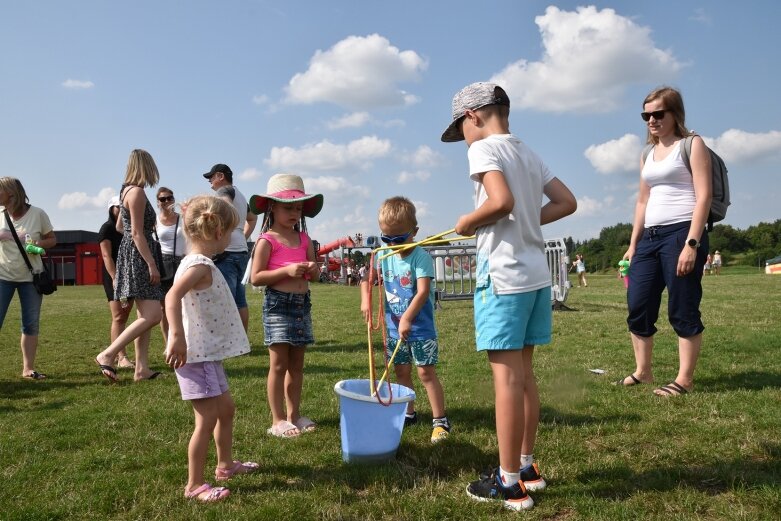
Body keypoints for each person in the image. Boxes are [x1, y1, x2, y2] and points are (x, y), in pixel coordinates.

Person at [443, 82, 576, 510]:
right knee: (524, 377)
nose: (462, 136)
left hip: (503, 278)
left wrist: (470, 220)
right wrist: (525, 221)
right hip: (537, 279)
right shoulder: (528, 152)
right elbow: (566, 202)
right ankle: (527, 467)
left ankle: (507, 482)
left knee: (506, 381)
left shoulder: (482, 148)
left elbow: (500, 201)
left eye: (460, 126)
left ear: (474, 116)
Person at [616, 86, 711, 398]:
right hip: (650, 238)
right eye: (646, 115)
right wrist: (633, 245)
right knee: (638, 303)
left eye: (658, 113)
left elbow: (704, 196)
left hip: (682, 233)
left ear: (675, 114)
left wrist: (692, 244)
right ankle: (643, 372)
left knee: (682, 306)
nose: (651, 120)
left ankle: (684, 379)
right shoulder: (647, 154)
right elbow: (642, 202)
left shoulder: (692, 145)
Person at [164, 195, 258, 502]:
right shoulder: (199, 265)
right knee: (205, 420)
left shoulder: (198, 263)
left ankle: (225, 465)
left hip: (207, 355)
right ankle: (194, 485)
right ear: (217, 232)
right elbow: (171, 296)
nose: (232, 238)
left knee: (226, 410)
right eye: (231, 232)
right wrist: (176, 335)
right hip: (195, 356)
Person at [360, 196, 451, 443]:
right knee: (401, 370)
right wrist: (366, 299)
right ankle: (409, 413)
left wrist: (407, 318)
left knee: (425, 373)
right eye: (386, 238)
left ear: (415, 232)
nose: (392, 244)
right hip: (392, 328)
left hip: (419, 328)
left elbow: (422, 292)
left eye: (398, 239)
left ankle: (440, 420)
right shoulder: (383, 254)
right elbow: (367, 279)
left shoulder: (420, 257)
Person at [249, 174, 323, 438]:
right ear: (272, 207)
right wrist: (288, 270)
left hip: (302, 305)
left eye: (298, 208)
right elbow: (256, 277)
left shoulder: (304, 239)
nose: (294, 212)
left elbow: (315, 275)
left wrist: (313, 269)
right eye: (288, 207)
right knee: (278, 364)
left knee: (297, 364)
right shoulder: (267, 240)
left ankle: (294, 414)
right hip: (278, 305)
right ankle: (277, 419)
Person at [95, 149, 165, 382]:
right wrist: (151, 263)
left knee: (145, 313)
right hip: (139, 255)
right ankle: (108, 354)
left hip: (134, 253)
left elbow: (119, 227)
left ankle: (141, 369)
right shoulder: (136, 193)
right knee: (154, 315)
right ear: (146, 167)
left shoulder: (126, 191)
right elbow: (135, 232)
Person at [0, 177, 57, 380]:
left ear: (11, 194)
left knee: (30, 324)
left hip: (31, 278)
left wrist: (38, 244)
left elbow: (52, 239)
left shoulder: (38, 214)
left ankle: (28, 368)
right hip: (2, 277)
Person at [204, 164, 258, 332]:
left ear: (220, 176)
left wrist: (221, 232)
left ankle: (228, 340)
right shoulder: (240, 194)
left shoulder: (223, 191)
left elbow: (225, 206)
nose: (210, 182)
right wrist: (242, 234)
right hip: (241, 251)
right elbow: (253, 218)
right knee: (240, 300)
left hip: (226, 252)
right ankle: (241, 341)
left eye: (211, 177)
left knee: (224, 299)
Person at [98, 196, 135, 369]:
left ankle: (119, 354)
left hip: (130, 275)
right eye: (117, 207)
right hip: (114, 276)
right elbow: (106, 256)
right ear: (111, 209)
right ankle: (120, 357)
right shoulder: (106, 229)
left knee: (125, 315)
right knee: (118, 316)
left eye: (123, 207)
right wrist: (115, 278)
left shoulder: (129, 228)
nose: (121, 210)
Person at [156, 187, 186, 340]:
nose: (167, 201)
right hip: (163, 263)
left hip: (181, 262)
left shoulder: (183, 218)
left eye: (169, 198)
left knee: (183, 305)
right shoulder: (154, 221)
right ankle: (168, 340)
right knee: (164, 306)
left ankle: (183, 338)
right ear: (158, 202)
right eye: (163, 199)